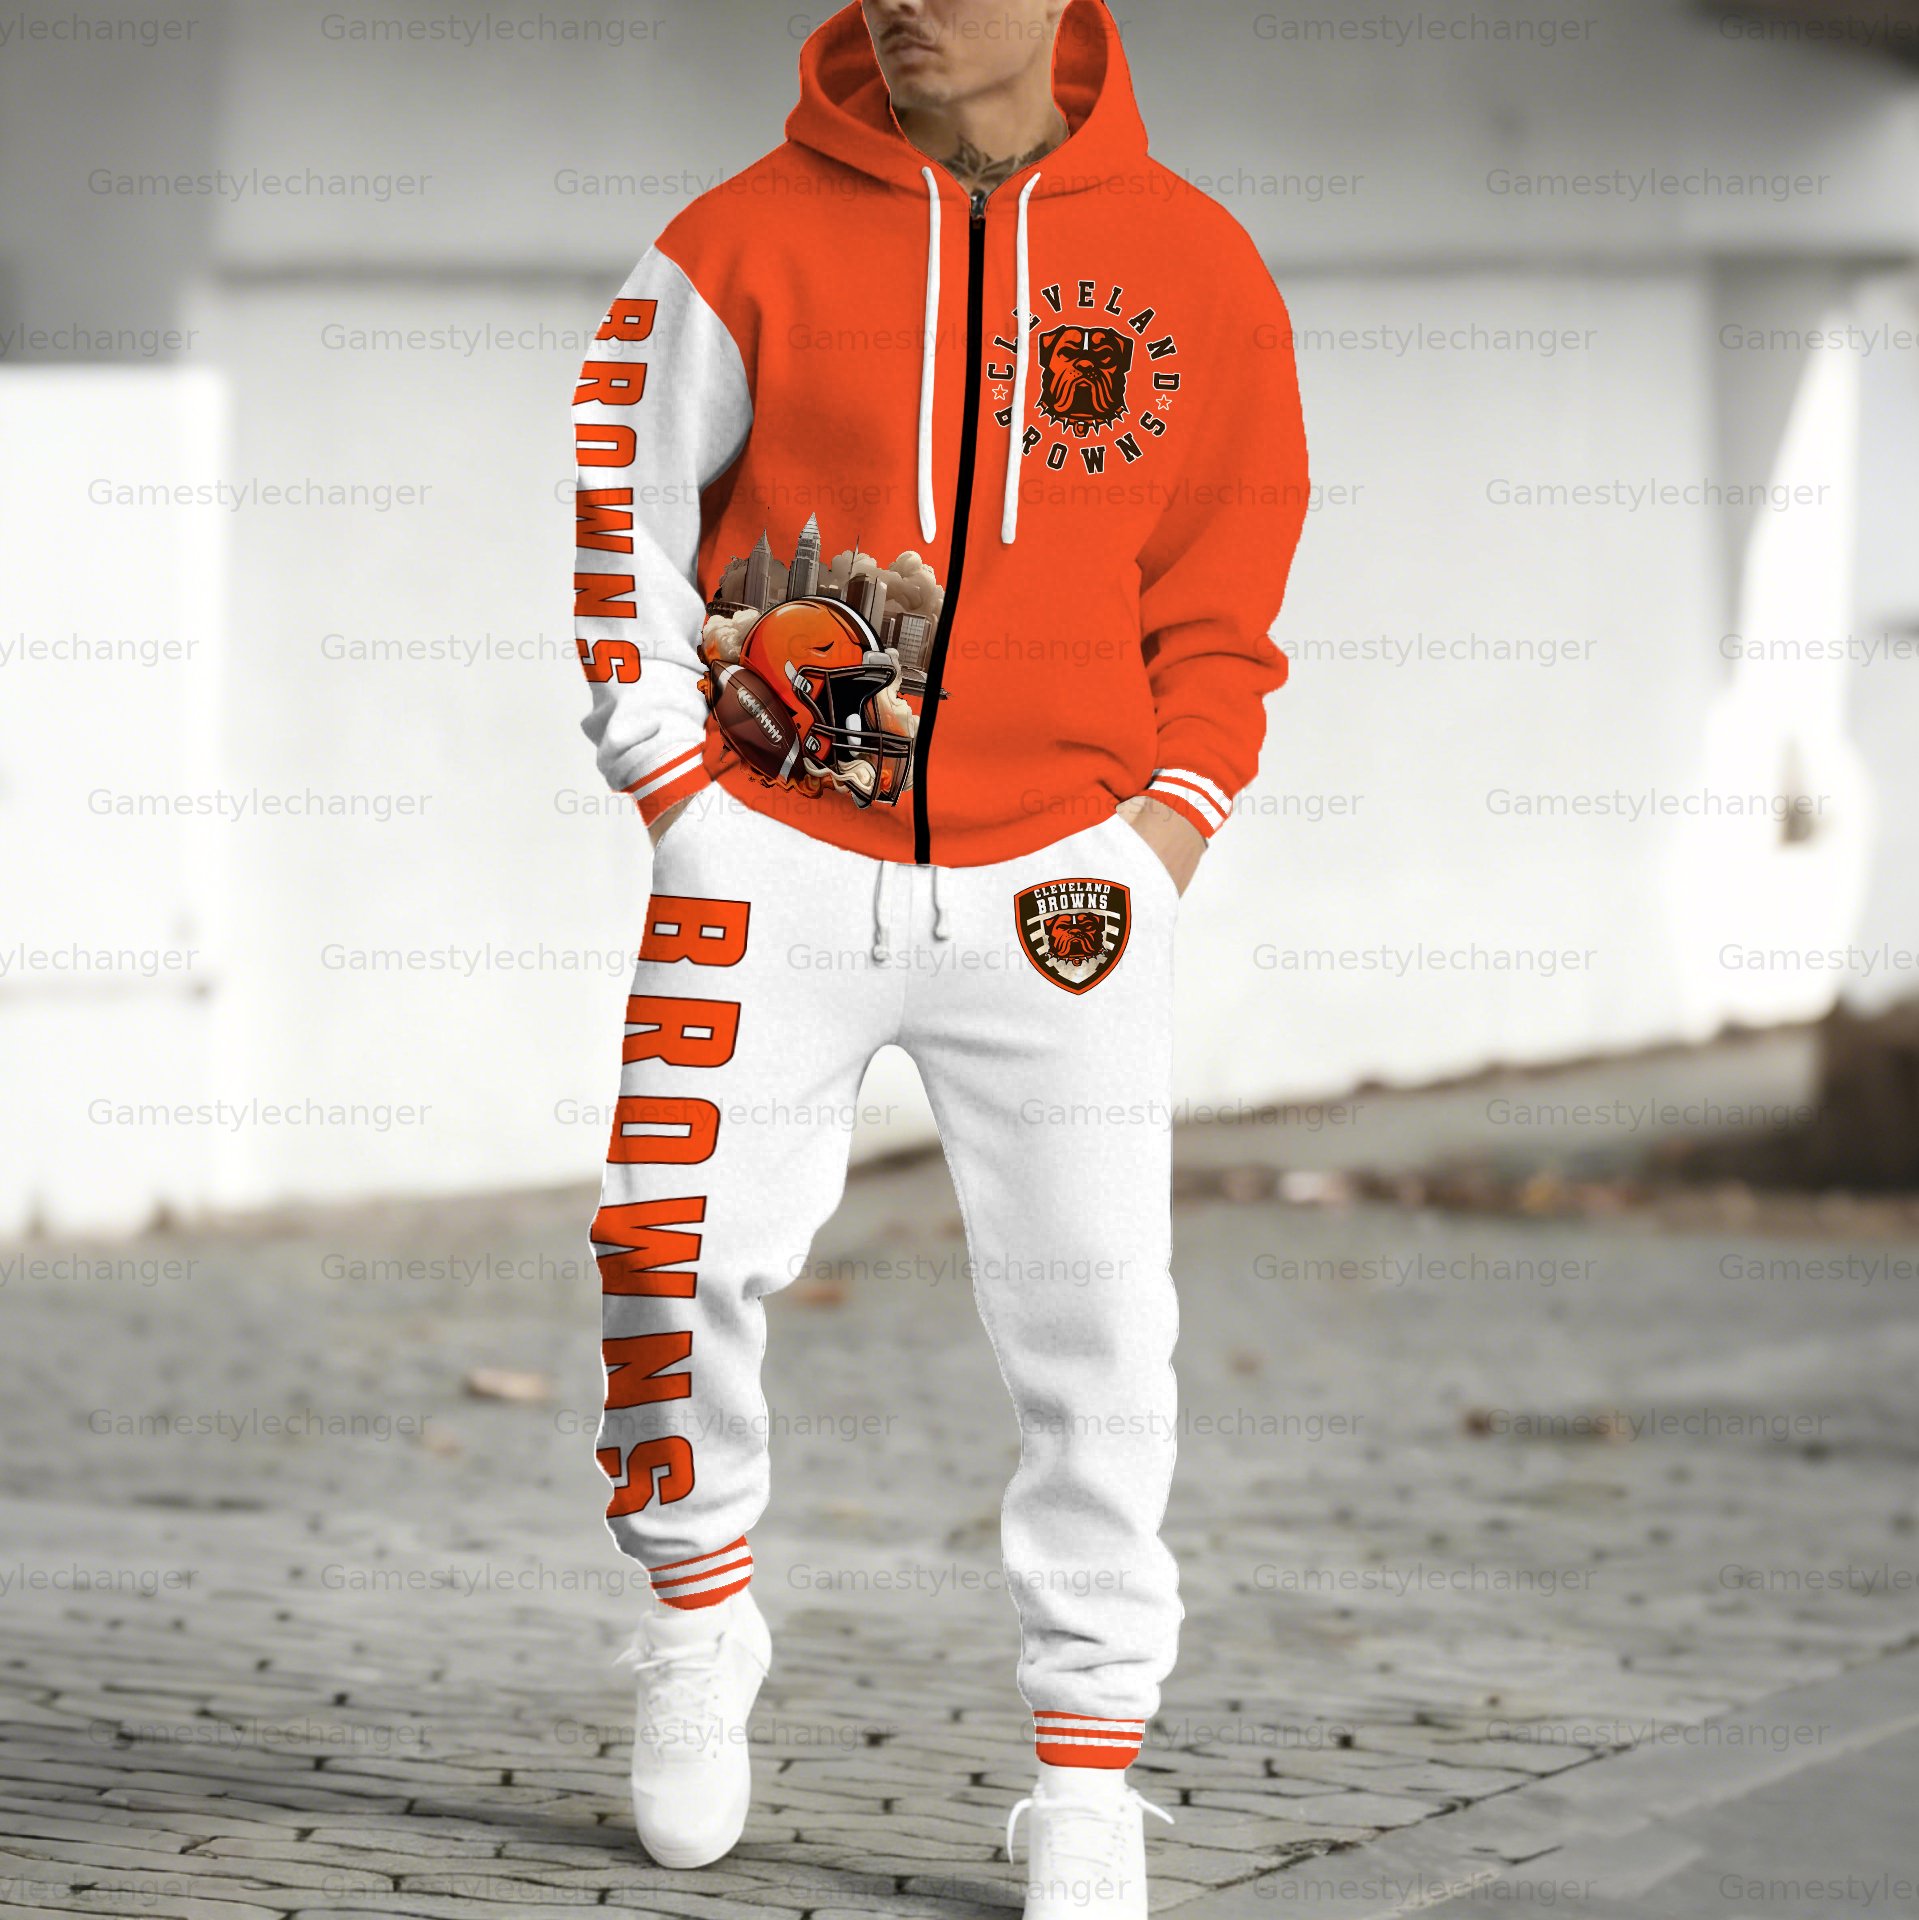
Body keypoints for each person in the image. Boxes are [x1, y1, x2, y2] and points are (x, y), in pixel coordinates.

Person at [572, 1, 1307, 1911]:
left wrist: (1164, 830)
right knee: (667, 1248)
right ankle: (697, 1611)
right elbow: (620, 510)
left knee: (1097, 1328)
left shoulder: (1198, 268)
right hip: (771, 853)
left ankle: (1086, 1771)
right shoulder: (734, 242)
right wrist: (678, 788)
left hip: (1067, 887)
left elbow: (1225, 586)